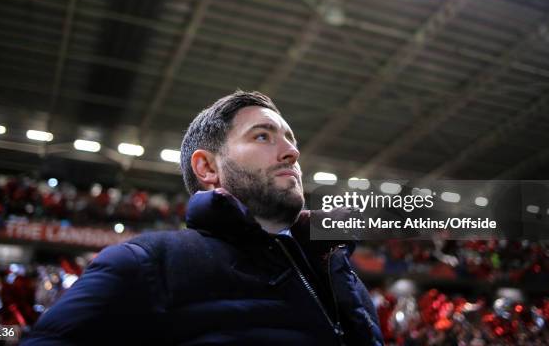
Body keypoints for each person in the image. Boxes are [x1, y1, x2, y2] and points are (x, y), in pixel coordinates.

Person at [21, 91, 383, 345]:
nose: (292, 151)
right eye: (262, 136)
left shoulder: (339, 276)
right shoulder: (147, 265)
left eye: (290, 140)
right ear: (207, 167)